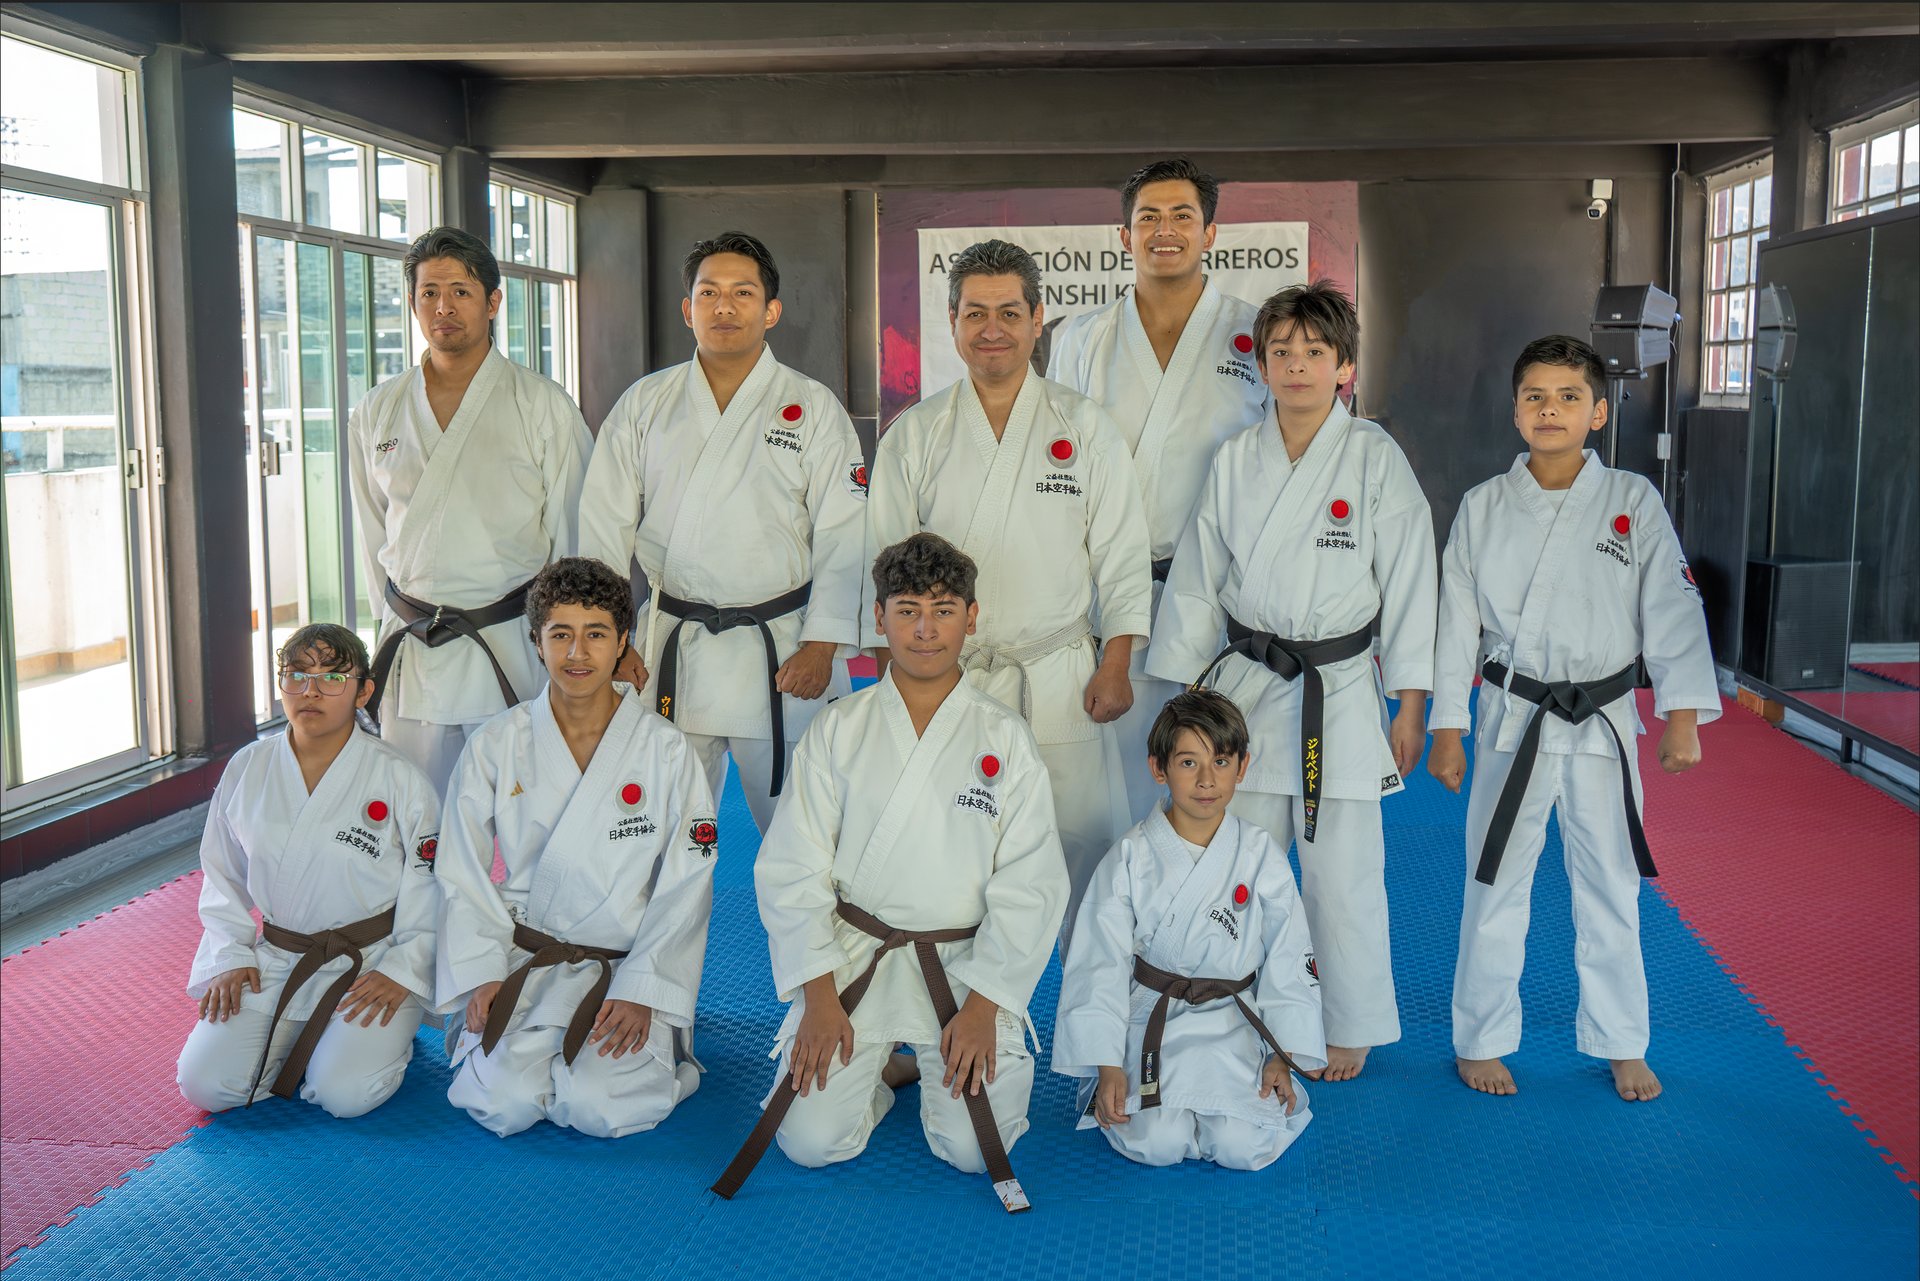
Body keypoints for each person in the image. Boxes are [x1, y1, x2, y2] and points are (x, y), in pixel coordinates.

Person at [711, 534, 1067, 1213]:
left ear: (972, 615)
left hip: (963, 969)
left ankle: (918, 1057)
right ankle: (878, 1068)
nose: (925, 629)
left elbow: (1032, 883)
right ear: (878, 620)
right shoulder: (840, 727)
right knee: (810, 1141)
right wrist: (817, 998)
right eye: (907, 610)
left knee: (968, 1150)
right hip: (855, 961)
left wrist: (987, 1005)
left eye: (942, 609)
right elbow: (792, 868)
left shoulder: (1004, 737)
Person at [1147, 280, 1436, 1083]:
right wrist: (1181, 696)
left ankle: (1350, 1021)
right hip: (1243, 688)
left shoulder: (1376, 458)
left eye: (1315, 352)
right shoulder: (1237, 459)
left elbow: (1414, 585)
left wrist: (1412, 702)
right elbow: (1200, 580)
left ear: (1344, 365)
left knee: (1342, 874)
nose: (1297, 366)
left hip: (1337, 690)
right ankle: (1228, 1006)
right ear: (1262, 363)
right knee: (1235, 864)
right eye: (1281, 352)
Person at [1428, 335, 1717, 1103]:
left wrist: (1682, 714)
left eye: (1565, 397)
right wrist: (1447, 725)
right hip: (1510, 718)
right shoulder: (1484, 506)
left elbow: (1673, 609)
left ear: (1597, 411)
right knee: (1492, 880)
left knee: (1612, 884)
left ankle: (1622, 1040)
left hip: (1603, 719)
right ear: (1515, 410)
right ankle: (1481, 1036)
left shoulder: (1632, 501)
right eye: (1533, 396)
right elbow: (1454, 621)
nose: (1548, 409)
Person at [865, 239, 1152, 943]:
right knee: (952, 850)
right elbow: (884, 567)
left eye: (1009, 312)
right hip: (951, 677)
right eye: (975, 313)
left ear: (1037, 318)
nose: (992, 328)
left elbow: (1121, 556)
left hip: (1061, 674)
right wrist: (892, 682)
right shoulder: (916, 434)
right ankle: (960, 1022)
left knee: (1088, 847)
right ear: (954, 321)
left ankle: (1094, 1024)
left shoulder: (1084, 428)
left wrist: (1115, 662)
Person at [579, 231, 865, 839]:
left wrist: (825, 643)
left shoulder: (812, 408)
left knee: (808, 842)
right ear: (688, 310)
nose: (724, 307)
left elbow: (847, 531)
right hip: (671, 652)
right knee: (663, 841)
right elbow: (603, 529)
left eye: (742, 292)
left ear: (771, 311)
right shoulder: (644, 404)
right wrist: (610, 638)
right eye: (708, 293)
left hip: (784, 652)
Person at [434, 557, 716, 1138]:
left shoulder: (664, 750)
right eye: (560, 634)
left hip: (622, 965)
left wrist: (644, 990)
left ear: (622, 645)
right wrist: (483, 971)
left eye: (596, 635)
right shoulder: (497, 743)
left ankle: (670, 1056)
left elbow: (688, 882)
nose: (577, 654)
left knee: (598, 1108)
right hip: (527, 958)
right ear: (536, 643)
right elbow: (459, 867)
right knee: (504, 1105)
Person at [1047, 158, 1270, 823]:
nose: (1164, 230)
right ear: (1124, 236)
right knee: (1111, 797)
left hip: (1222, 598)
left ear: (1211, 234)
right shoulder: (1082, 338)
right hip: (1114, 599)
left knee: (1215, 794)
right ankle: (1114, 927)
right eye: (1148, 217)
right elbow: (1059, 475)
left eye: (1182, 216)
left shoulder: (1257, 333)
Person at [348, 225, 592, 796]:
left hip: (510, 645)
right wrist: (385, 627)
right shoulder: (377, 410)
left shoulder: (542, 405)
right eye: (429, 293)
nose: (443, 307)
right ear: (411, 303)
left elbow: (576, 536)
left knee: (532, 825)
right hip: (413, 650)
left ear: (493, 302)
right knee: (418, 832)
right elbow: (370, 538)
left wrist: (572, 649)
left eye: (460, 290)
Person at [1053, 689, 1325, 1169]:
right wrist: (1107, 1065)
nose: (1206, 780)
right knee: (1154, 1142)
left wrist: (1282, 1053)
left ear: (1242, 768)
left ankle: (1230, 1091)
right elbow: (1099, 961)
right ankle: (1146, 1088)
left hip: (1235, 1019)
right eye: (1187, 763)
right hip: (1153, 1017)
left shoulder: (1261, 855)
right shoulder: (1131, 856)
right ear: (1158, 768)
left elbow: (1289, 954)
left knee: (1244, 1146)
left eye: (1221, 762)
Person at [177, 623, 439, 1119]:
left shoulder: (399, 778)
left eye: (332, 677)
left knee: (345, 1095)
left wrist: (403, 970)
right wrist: (230, 955)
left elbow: (432, 885)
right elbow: (220, 873)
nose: (311, 691)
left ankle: (385, 1039)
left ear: (364, 690)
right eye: (295, 675)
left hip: (370, 963)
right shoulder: (248, 768)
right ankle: (310, 1036)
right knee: (205, 1085)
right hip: (277, 957)